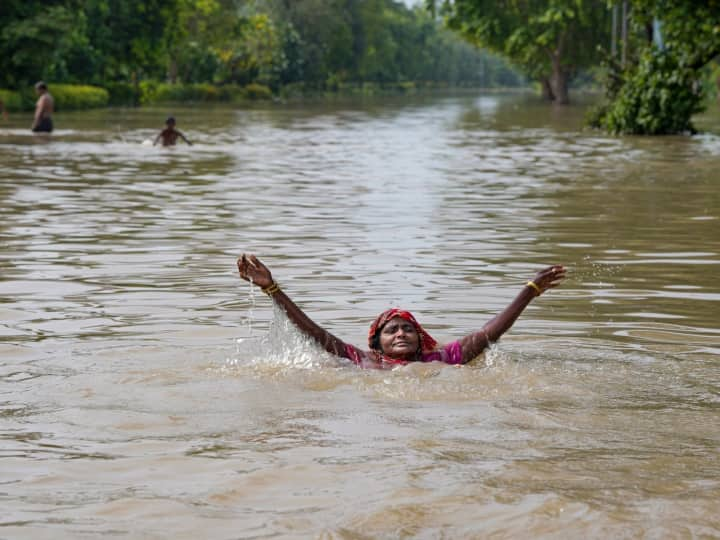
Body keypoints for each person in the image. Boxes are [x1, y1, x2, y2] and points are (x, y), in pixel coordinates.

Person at [237, 254, 567, 369]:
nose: (401, 333)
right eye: (392, 330)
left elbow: (490, 332)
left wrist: (530, 290)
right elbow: (312, 331)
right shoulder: (363, 361)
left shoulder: (443, 359)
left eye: (407, 328)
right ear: (376, 343)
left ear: (420, 338)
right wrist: (272, 288)